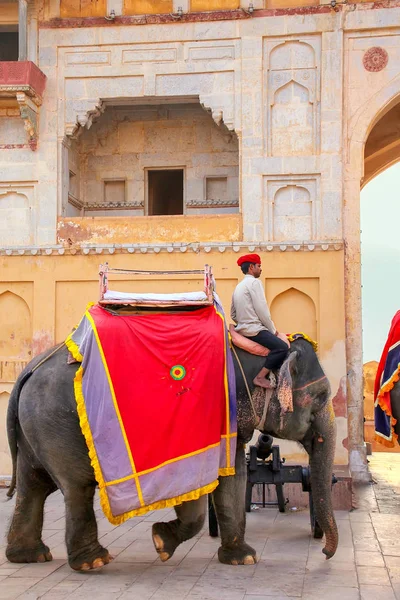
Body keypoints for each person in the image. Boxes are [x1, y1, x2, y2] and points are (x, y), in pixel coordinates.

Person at [231, 253, 289, 389]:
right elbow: (262, 311)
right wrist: (273, 330)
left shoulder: (238, 287)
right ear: (251, 267)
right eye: (259, 266)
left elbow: (233, 314)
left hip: (242, 329)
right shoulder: (254, 283)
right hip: (255, 330)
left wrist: (243, 321)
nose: (260, 269)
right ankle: (260, 377)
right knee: (282, 347)